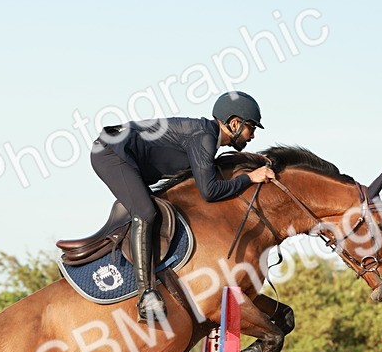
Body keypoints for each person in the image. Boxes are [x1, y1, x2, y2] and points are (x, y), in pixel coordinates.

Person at [89, 91, 276, 323]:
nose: (253, 135)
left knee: (156, 210)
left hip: (122, 153)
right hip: (110, 153)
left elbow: (208, 179)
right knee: (146, 212)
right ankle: (146, 294)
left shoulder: (206, 136)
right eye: (251, 127)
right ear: (235, 124)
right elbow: (210, 191)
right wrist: (250, 178)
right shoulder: (204, 137)